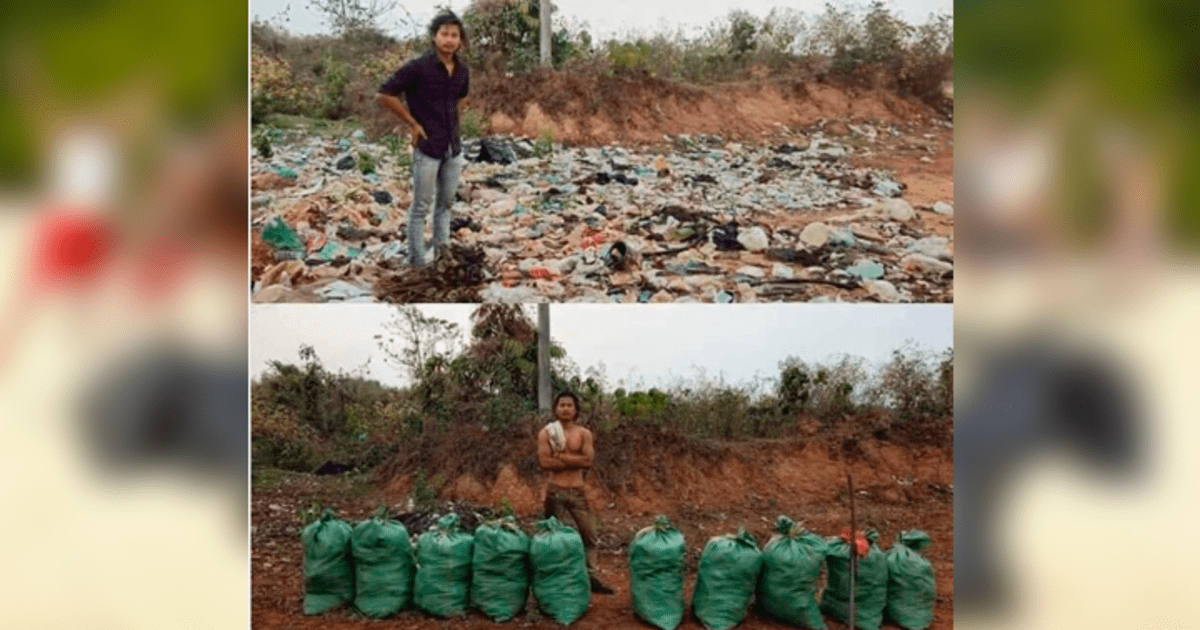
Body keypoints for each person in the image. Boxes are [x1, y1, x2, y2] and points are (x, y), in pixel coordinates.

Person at [376, 10, 470, 267]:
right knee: (421, 207)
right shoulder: (419, 67)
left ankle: (442, 256)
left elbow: (462, 97)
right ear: (434, 37)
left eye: (454, 35)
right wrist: (413, 124)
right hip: (428, 147)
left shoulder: (462, 71)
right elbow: (385, 94)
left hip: (453, 148)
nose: (449, 40)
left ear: (460, 40)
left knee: (446, 205)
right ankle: (417, 261)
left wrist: (454, 121)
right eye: (444, 34)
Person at [536, 391, 615, 594]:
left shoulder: (584, 434)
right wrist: (573, 459)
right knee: (554, 538)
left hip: (578, 492)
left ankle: (591, 577)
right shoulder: (547, 433)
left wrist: (560, 457)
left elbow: (587, 461)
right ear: (555, 409)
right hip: (556, 492)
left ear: (576, 409)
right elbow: (545, 463)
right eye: (561, 405)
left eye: (569, 405)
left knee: (590, 536)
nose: (565, 408)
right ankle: (557, 579)